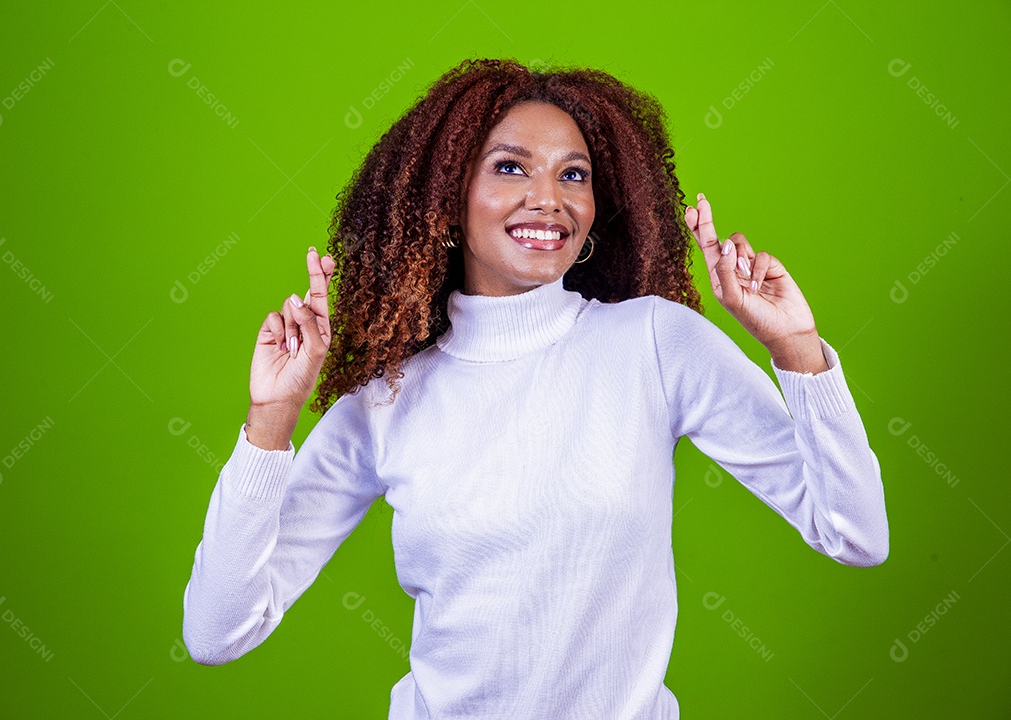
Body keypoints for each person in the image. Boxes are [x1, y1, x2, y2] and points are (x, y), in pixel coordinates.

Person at [182, 57, 889, 719]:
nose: (548, 199)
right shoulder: (386, 400)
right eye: (510, 167)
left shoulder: (654, 342)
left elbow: (855, 532)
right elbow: (216, 633)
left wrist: (794, 348)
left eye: (573, 175)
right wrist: (271, 418)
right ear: (448, 197)